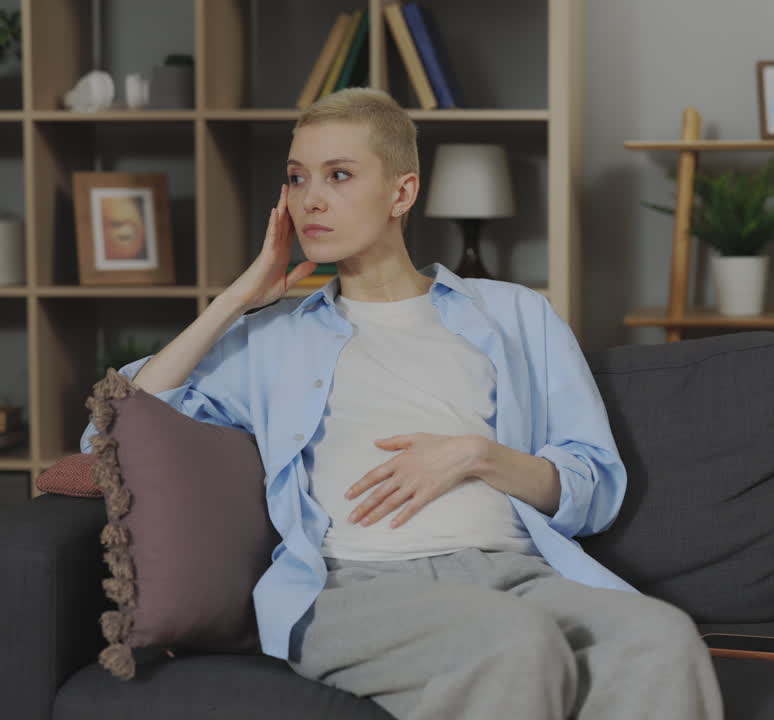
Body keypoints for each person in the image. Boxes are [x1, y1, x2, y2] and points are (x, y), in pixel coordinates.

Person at [80, 87, 723, 720]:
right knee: (512, 644)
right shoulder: (272, 339)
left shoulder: (514, 313)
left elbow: (592, 485)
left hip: (514, 570)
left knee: (660, 640)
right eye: (298, 178)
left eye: (338, 175)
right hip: (354, 584)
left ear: (402, 192)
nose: (311, 200)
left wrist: (474, 455)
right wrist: (238, 299)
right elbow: (115, 429)